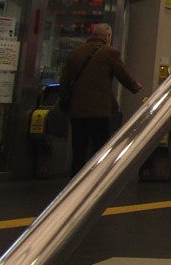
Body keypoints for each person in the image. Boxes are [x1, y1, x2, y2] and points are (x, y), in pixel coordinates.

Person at [60, 21, 141, 176]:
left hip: (77, 111)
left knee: (79, 147)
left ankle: (75, 180)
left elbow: (64, 81)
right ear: (107, 36)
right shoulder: (110, 52)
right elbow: (123, 74)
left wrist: (65, 102)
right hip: (99, 111)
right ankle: (98, 178)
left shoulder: (75, 52)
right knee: (100, 147)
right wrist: (136, 87)